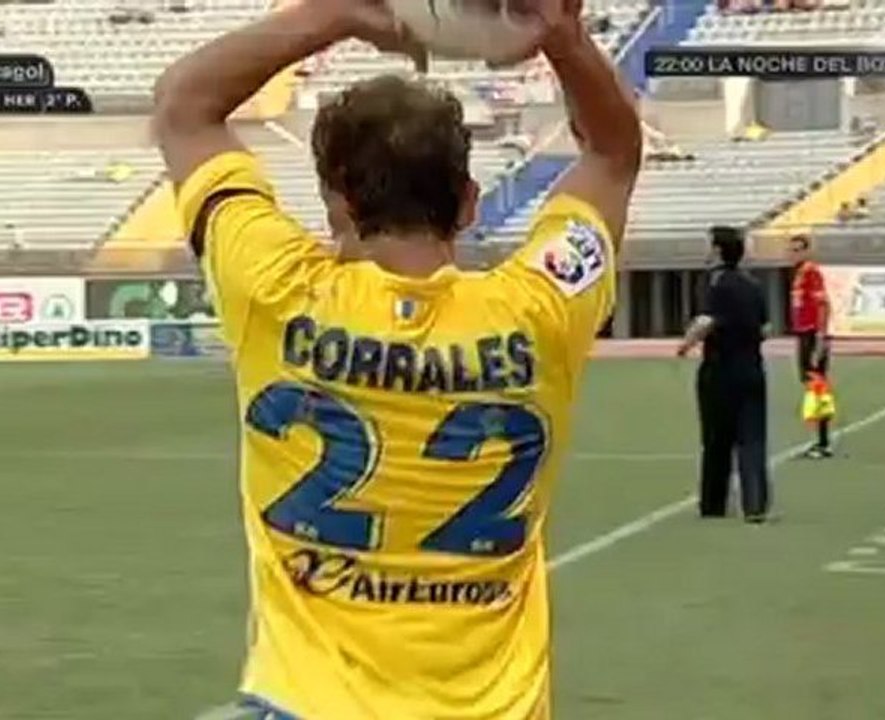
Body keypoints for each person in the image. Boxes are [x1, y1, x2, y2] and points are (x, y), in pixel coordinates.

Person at [153, 0, 642, 718]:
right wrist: (564, 41)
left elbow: (185, 108)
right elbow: (613, 154)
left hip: (306, 702)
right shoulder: (539, 311)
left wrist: (342, 12)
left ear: (337, 200)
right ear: (470, 202)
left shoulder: (273, 288)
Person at [678, 226, 770, 523]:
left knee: (717, 440)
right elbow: (765, 329)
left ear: (718, 250)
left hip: (720, 370)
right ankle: (755, 504)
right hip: (752, 369)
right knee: (752, 439)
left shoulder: (714, 282)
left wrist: (685, 344)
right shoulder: (753, 285)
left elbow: (705, 320)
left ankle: (713, 504)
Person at [789, 233, 833, 458]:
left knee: (817, 387)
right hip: (803, 334)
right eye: (792, 249)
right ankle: (820, 439)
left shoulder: (811, 272)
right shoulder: (798, 273)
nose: (793, 253)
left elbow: (824, 304)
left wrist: (821, 338)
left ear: (806, 251)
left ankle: (823, 441)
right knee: (811, 386)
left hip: (811, 334)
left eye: (798, 249)